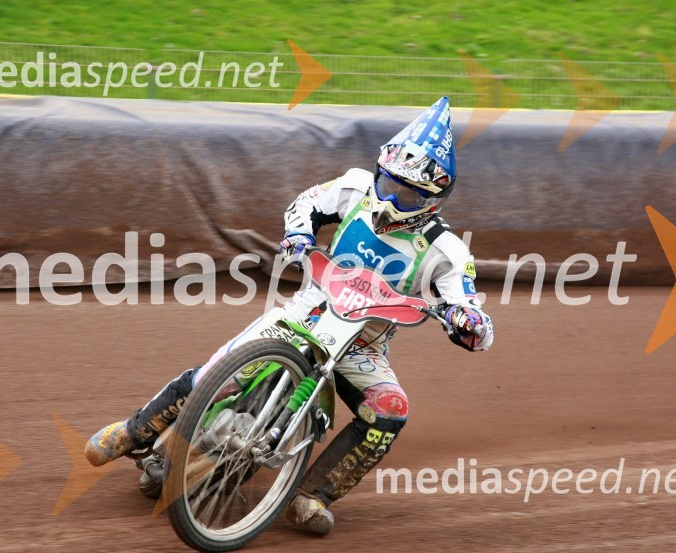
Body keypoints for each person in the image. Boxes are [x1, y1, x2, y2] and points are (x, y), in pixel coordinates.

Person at [84, 96, 494, 536]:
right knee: (217, 374)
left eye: (407, 192)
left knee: (390, 409)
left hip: (362, 345)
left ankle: (313, 495)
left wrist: (467, 322)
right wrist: (299, 236)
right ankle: (133, 432)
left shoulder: (448, 249)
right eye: (389, 182)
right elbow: (307, 203)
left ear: (433, 199)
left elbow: (472, 312)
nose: (392, 195)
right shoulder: (357, 186)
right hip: (306, 313)